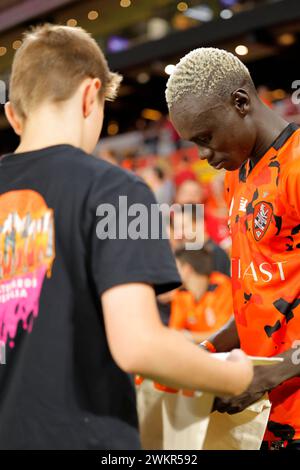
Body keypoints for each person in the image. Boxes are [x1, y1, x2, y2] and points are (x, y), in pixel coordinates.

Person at [0, 26, 253, 450]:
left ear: (13, 115)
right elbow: (138, 345)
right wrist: (238, 374)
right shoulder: (117, 191)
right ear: (90, 95)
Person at [166, 46, 300, 450]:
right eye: (193, 144)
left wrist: (269, 375)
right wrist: (205, 352)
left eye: (205, 138)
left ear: (240, 102)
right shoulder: (238, 174)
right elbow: (255, 302)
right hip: (266, 420)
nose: (203, 156)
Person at [169, 247, 233, 343]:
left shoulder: (221, 286)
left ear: (187, 269)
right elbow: (174, 332)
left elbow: (222, 334)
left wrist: (188, 337)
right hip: (196, 351)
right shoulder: (181, 294)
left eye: (174, 267)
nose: (170, 272)